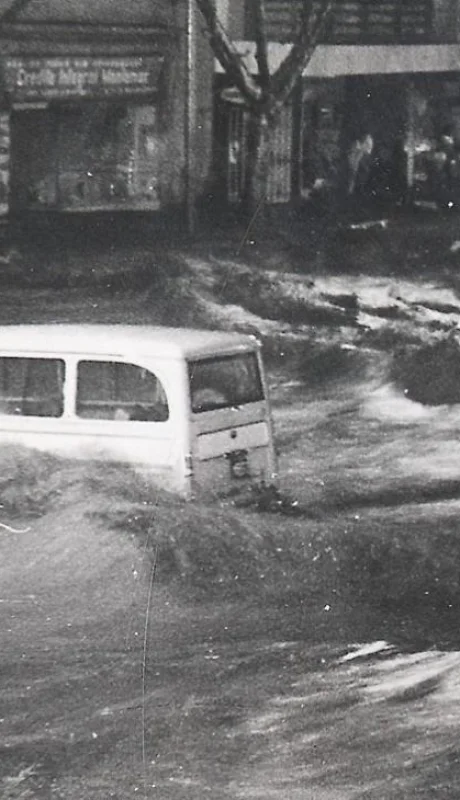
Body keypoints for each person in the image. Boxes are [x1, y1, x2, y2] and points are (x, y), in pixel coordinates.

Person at [347, 132, 374, 199]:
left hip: (358, 170)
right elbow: (352, 159)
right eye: (366, 142)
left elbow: (368, 151)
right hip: (354, 169)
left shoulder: (363, 151)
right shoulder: (356, 145)